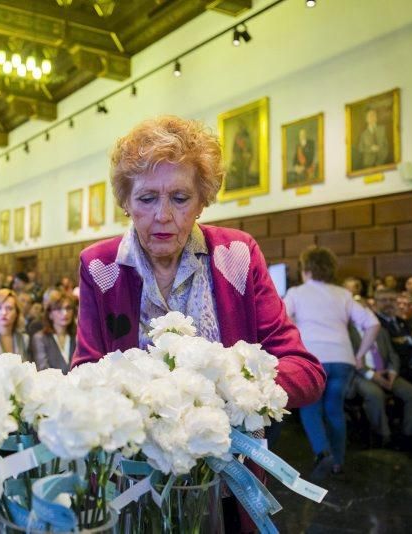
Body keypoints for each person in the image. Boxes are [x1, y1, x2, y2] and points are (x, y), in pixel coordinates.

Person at [72, 116, 325, 531]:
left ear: (203, 200)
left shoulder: (237, 256)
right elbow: (84, 371)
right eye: (147, 198)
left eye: (180, 197)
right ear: (125, 201)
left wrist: (233, 391)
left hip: (226, 482)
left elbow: (306, 371)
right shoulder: (101, 267)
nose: (163, 216)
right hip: (134, 481)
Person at [284, 246, 380, 477]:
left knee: (310, 408)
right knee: (335, 409)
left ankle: (322, 453)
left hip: (312, 358)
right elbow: (373, 323)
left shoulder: (296, 293)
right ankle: (338, 462)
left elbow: (281, 321)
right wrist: (359, 355)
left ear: (306, 269)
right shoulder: (343, 294)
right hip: (343, 359)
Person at [348, 326, 412, 447]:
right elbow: (350, 359)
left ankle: (410, 436)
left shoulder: (381, 330)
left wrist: (392, 372)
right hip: (361, 374)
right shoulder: (348, 331)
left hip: (385, 372)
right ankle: (383, 436)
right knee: (375, 394)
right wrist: (372, 375)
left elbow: (392, 354)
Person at [30, 294, 78, 373]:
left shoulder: (77, 337)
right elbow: (43, 370)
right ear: (50, 314)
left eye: (68, 308)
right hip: (50, 384)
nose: (65, 313)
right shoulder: (40, 338)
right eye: (59, 309)